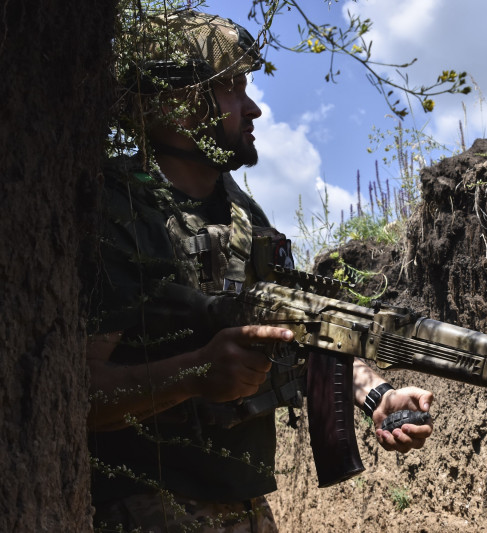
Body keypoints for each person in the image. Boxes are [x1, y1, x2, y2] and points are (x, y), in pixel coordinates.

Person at [88, 9, 433, 532]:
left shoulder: (245, 217)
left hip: (245, 506)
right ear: (176, 102)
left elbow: (296, 335)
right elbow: (77, 394)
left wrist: (374, 393)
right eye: (230, 89)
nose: (252, 108)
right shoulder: (120, 212)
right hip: (139, 510)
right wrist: (194, 374)